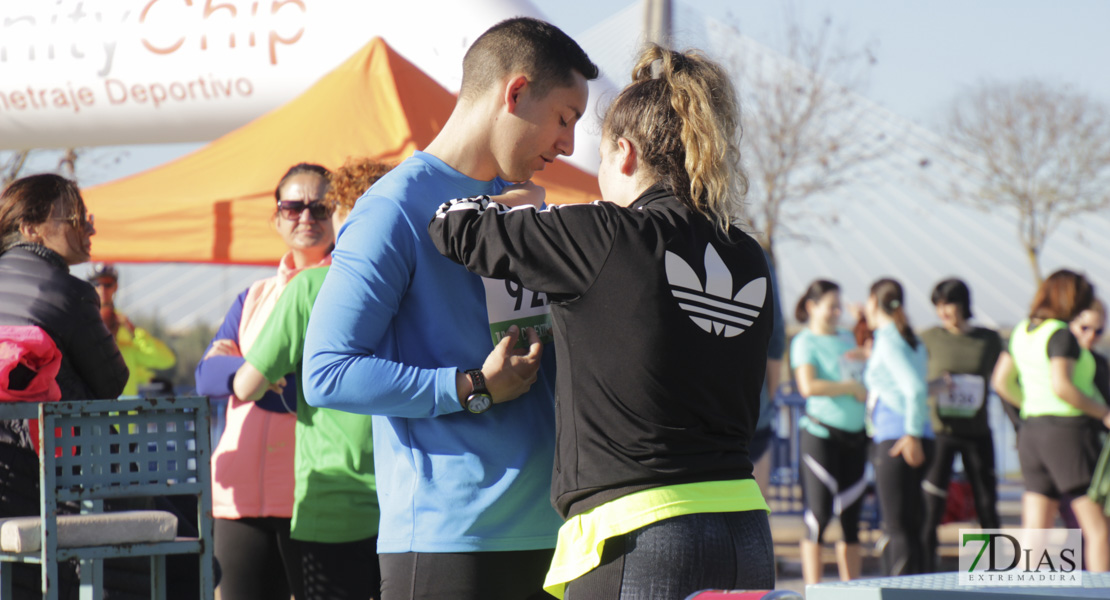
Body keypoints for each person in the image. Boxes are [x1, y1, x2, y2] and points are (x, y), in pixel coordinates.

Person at [428, 44, 775, 599]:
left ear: (624, 152)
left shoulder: (606, 234)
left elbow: (455, 224)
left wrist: (514, 202)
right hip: (745, 530)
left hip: (639, 530)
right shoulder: (747, 252)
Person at [303, 18, 597, 600]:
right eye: (565, 119)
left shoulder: (528, 210)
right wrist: (469, 386)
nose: (568, 145)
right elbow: (325, 372)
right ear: (514, 93)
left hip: (555, 533)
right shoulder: (394, 207)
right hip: (449, 542)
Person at [232, 158, 392, 600]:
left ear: (343, 213)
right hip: (409, 503)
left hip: (333, 504)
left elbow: (245, 385)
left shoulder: (308, 289)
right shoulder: (417, 286)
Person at [195, 163, 335, 600]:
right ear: (276, 217)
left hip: (318, 494)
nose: (306, 217)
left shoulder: (352, 289)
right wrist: (251, 372)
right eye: (293, 207)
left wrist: (251, 366)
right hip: (239, 496)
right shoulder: (252, 296)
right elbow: (205, 375)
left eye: (320, 206)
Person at [0, 173, 129, 598]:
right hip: (65, 483)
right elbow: (113, 381)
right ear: (30, 228)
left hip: (9, 482)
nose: (88, 227)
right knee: (185, 544)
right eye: (75, 216)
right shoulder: (69, 292)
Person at [992, 269, 1110, 572]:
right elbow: (1063, 386)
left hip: (1032, 434)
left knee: (1035, 530)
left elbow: (1001, 382)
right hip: (1068, 435)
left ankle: (1028, 592)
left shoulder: (1021, 330)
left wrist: (1032, 405)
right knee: (1098, 530)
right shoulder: (1061, 335)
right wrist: (1103, 412)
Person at [919, 278, 1002, 572]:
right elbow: (917, 387)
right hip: (940, 433)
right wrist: (936, 386)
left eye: (948, 305)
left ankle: (990, 571)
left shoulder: (989, 339)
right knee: (931, 506)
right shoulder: (928, 338)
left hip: (977, 433)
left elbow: (1004, 380)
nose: (943, 312)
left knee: (986, 503)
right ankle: (926, 571)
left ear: (964, 304)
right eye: (938, 306)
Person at [790, 279, 868, 585]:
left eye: (840, 306)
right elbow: (807, 386)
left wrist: (863, 319)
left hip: (856, 437)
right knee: (819, 519)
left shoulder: (849, 338)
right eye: (831, 306)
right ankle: (814, 590)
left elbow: (878, 351)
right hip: (821, 437)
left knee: (852, 523)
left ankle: (854, 591)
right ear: (812, 307)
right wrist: (850, 388)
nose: (837, 311)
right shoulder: (805, 341)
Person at [864, 277, 933, 576]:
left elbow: (915, 389)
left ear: (873, 302)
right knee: (913, 525)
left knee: (896, 526)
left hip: (898, 437)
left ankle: (899, 591)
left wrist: (911, 435)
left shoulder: (890, 340)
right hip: (915, 433)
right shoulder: (909, 338)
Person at [86, 262, 177, 397]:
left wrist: (133, 332)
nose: (102, 289)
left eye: (108, 284)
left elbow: (166, 360)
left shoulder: (125, 333)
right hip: (93, 410)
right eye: (96, 284)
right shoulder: (82, 324)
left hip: (126, 414)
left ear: (115, 286)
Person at [750, 251, 786, 494]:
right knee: (752, 513)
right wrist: (769, 399)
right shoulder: (752, 253)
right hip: (750, 408)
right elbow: (775, 334)